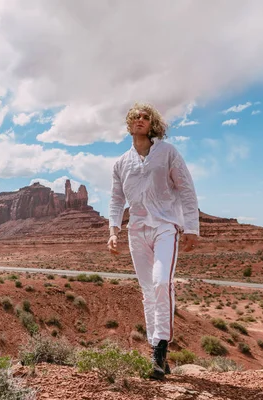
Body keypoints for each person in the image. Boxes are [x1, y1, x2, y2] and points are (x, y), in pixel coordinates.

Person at [107, 102, 199, 380]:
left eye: (146, 117)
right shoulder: (121, 163)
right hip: (136, 230)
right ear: (129, 123)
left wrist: (192, 227)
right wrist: (113, 230)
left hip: (165, 227)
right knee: (148, 291)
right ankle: (156, 352)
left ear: (153, 124)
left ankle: (160, 348)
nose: (140, 120)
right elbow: (115, 199)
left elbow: (185, 187)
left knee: (162, 283)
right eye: (136, 116)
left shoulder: (167, 152)